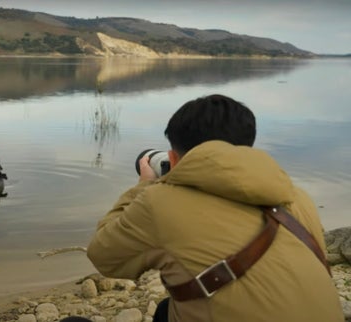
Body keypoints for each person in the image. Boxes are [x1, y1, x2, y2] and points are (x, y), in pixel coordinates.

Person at [86, 94, 343, 322]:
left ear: (174, 158)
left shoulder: (159, 202)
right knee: (166, 309)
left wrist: (144, 186)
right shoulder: (297, 197)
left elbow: (103, 256)